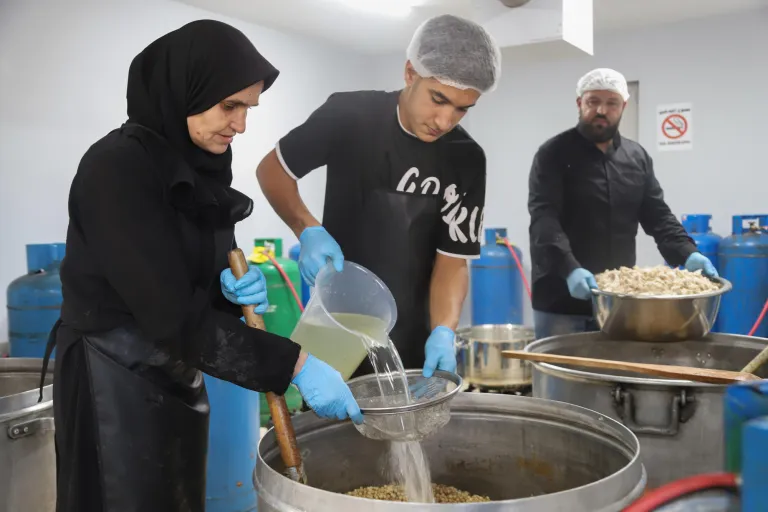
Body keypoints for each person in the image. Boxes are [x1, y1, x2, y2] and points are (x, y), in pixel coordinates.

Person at [46, 20, 361, 512]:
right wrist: (295, 364)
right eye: (229, 106)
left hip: (175, 371)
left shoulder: (202, 163)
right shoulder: (116, 168)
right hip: (112, 377)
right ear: (185, 89)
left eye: (248, 109)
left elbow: (197, 277)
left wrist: (226, 292)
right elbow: (165, 312)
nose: (240, 125)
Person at [256, 15, 501, 379]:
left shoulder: (466, 158)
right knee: (331, 427)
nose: (446, 120)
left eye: (462, 108)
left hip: (415, 340)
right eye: (439, 99)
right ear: (409, 73)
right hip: (337, 324)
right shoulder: (349, 116)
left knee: (406, 432)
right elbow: (273, 170)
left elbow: (452, 262)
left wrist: (444, 330)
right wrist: (306, 228)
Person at [528, 68, 718, 340]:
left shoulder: (636, 157)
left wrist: (687, 252)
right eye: (593, 101)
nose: (601, 110)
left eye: (612, 103)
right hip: (561, 299)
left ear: (623, 106)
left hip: (619, 301)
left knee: (616, 378)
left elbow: (658, 215)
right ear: (579, 103)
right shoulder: (553, 154)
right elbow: (544, 219)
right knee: (564, 377)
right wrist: (569, 267)